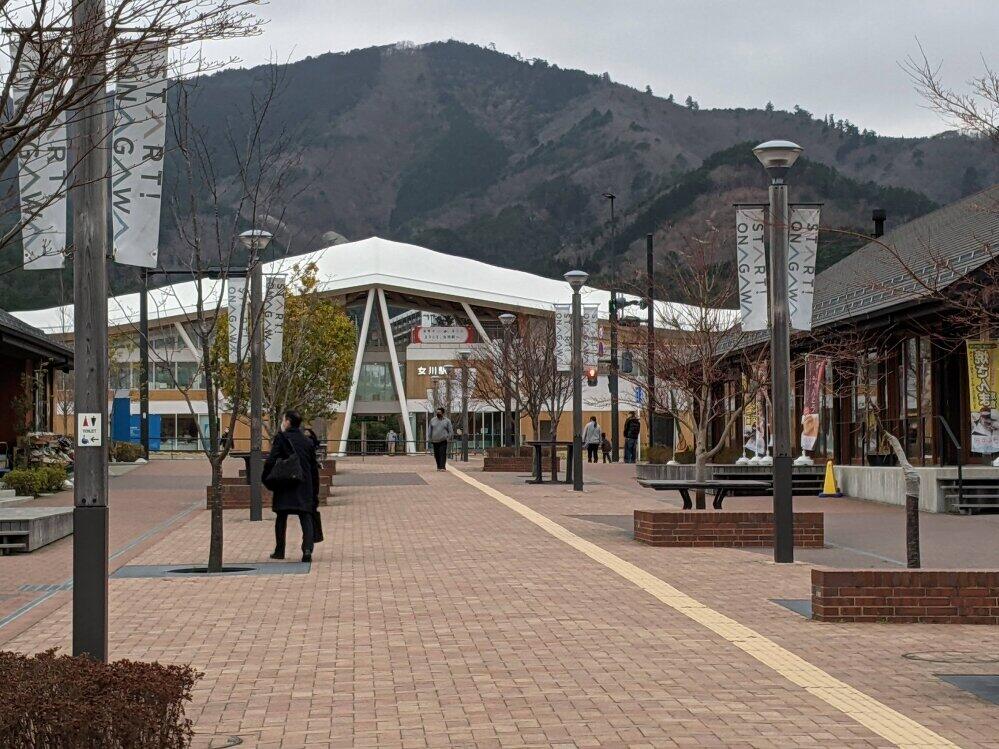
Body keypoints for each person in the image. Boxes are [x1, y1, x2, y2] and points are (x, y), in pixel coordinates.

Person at [263, 410, 320, 562]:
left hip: (285, 483)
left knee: (281, 517)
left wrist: (267, 478)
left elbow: (271, 460)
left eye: (284, 420)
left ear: (288, 421)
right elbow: (313, 467)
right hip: (304, 484)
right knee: (305, 516)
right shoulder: (307, 441)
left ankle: (279, 550)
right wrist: (315, 489)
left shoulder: (281, 438)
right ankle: (307, 549)